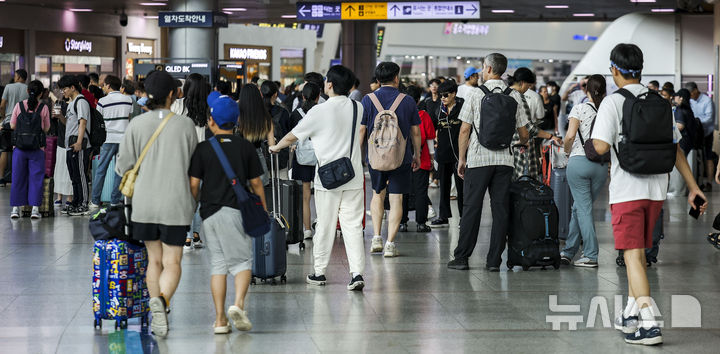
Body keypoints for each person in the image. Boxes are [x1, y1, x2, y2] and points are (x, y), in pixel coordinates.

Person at [591, 43, 706, 346]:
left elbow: (601, 147)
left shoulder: (613, 103)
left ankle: (650, 323)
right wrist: (693, 187)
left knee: (631, 255)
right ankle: (631, 312)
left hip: (627, 190)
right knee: (639, 253)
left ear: (613, 69)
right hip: (657, 191)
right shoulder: (659, 101)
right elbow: (675, 148)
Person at [116, 70, 198, 337]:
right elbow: (194, 168)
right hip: (176, 202)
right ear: (173, 95)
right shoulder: (185, 125)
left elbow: (123, 167)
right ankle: (162, 302)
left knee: (154, 261)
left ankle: (156, 311)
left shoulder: (136, 125)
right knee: (173, 261)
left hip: (144, 204)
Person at [270, 65, 366, 291]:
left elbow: (292, 136)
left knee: (325, 225)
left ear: (330, 84)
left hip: (328, 179)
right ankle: (357, 273)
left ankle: (319, 272)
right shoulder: (357, 107)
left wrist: (276, 147)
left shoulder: (319, 111)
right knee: (352, 225)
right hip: (352, 175)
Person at [189, 95, 266, 334]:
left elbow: (193, 184)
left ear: (211, 121)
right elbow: (256, 184)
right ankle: (239, 305)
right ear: (237, 122)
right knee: (242, 261)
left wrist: (197, 203)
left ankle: (220, 320)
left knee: (218, 265)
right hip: (236, 211)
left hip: (209, 214)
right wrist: (262, 209)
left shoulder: (203, 149)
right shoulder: (245, 147)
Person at [447, 53, 530, 271]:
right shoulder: (514, 96)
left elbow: (464, 129)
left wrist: (462, 159)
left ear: (489, 69)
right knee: (500, 210)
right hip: (504, 160)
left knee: (471, 208)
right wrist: (521, 143)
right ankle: (494, 261)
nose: (482, 71)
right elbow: (524, 133)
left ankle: (462, 257)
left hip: (478, 159)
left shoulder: (475, 94)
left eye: (484, 67)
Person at [360, 62, 422, 258]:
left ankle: (376, 237)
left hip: (376, 157)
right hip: (401, 157)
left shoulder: (368, 99)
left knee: (377, 195)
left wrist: (358, 155)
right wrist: (417, 155)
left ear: (377, 80)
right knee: (397, 199)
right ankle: (390, 244)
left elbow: (362, 130)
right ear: (397, 78)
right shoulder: (408, 100)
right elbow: (416, 132)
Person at [559, 74, 609, 268]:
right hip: (601, 165)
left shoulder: (579, 108)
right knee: (578, 208)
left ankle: (590, 254)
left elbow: (570, 135)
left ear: (586, 90)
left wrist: (566, 151)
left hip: (579, 162)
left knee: (584, 209)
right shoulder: (608, 111)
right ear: (605, 91)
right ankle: (569, 251)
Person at [171, 73, 210, 250]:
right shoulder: (207, 109)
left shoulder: (178, 106)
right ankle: (195, 234)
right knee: (198, 198)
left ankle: (186, 236)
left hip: (182, 156)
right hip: (202, 158)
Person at [509, 68, 562, 181]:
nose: (528, 89)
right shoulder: (519, 97)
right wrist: (551, 136)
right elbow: (530, 127)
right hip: (521, 147)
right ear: (522, 82)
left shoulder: (503, 93)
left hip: (506, 148)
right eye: (528, 86)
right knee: (524, 182)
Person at [9, 80, 50, 219]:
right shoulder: (43, 108)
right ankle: (35, 210)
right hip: (37, 149)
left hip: (19, 148)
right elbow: (46, 129)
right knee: (36, 179)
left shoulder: (19, 106)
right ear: (41, 93)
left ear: (27, 91)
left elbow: (13, 126)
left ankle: (15, 209)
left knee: (18, 177)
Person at [90, 75, 133, 210]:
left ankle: (95, 201)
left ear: (108, 85)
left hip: (108, 139)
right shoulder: (128, 100)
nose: (103, 87)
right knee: (119, 171)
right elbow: (129, 117)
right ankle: (115, 200)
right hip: (123, 140)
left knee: (101, 170)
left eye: (104, 85)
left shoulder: (102, 101)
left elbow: (99, 121)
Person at [54, 75, 92, 216]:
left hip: (78, 144)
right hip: (70, 144)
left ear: (72, 88)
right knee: (74, 176)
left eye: (64, 89)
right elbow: (69, 124)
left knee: (80, 175)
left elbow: (83, 122)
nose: (62, 92)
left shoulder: (81, 102)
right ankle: (75, 203)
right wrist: (60, 118)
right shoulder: (71, 103)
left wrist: (79, 142)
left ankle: (83, 204)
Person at [400, 85, 435, 233]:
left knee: (403, 191)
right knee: (421, 192)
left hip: (403, 159)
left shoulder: (400, 115)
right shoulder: (424, 115)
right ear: (418, 99)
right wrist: (432, 157)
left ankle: (402, 223)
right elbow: (429, 139)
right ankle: (421, 223)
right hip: (423, 159)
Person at [430, 80, 464, 228]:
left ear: (454, 94)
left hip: (459, 154)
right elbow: (432, 128)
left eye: (446, 95)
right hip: (443, 153)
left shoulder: (462, 108)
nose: (442, 98)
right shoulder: (439, 109)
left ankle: (464, 217)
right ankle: (443, 216)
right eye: (440, 95)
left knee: (461, 187)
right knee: (444, 186)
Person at [289, 82, 320, 240]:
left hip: (302, 157)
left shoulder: (295, 114)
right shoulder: (321, 112)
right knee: (322, 195)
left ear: (302, 96)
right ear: (318, 97)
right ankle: (321, 226)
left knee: (306, 195)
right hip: (321, 156)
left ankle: (307, 229)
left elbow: (292, 136)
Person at [236, 83, 274, 186]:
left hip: (238, 157)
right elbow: (271, 144)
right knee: (259, 196)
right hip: (257, 158)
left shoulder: (237, 114)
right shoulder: (266, 117)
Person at [0, 69, 28, 186]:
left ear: (18, 77)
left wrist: (2, 117)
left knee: (5, 150)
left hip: (8, 122)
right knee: (20, 150)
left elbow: (2, 105)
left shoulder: (8, 87)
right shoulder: (28, 88)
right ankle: (19, 178)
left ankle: (1, 179)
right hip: (23, 123)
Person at [686, 81, 715, 191]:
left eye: (691, 94)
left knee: (708, 157)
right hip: (695, 134)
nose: (690, 96)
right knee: (696, 156)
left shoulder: (707, 101)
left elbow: (709, 118)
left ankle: (709, 183)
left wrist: (696, 122)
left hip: (706, 133)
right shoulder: (690, 100)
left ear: (695, 91)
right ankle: (697, 181)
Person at [674, 88, 699, 157]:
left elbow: (680, 126)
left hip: (682, 142)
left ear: (681, 98)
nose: (675, 98)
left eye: (676, 96)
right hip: (688, 142)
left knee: (681, 164)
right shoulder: (688, 110)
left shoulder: (680, 109)